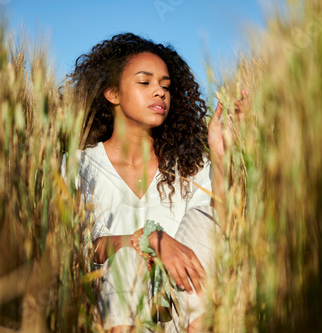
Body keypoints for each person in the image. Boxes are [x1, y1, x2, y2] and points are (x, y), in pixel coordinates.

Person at [67, 33, 248, 332]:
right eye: (145, 82)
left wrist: (220, 155)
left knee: (206, 216)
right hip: (108, 315)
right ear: (112, 93)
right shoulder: (77, 167)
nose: (160, 93)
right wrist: (150, 240)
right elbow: (75, 249)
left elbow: (223, 235)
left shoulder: (191, 167)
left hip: (182, 316)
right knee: (125, 260)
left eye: (165, 86)